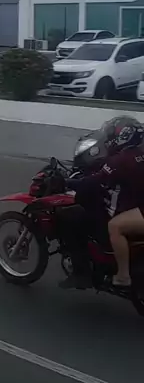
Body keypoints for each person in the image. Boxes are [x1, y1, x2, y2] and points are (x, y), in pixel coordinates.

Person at [60, 116, 144, 290]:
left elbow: (95, 181)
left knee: (71, 218)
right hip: (135, 202)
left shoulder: (121, 160)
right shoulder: (138, 154)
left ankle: (110, 275)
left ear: (123, 136)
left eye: (112, 134)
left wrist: (67, 182)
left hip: (130, 209)